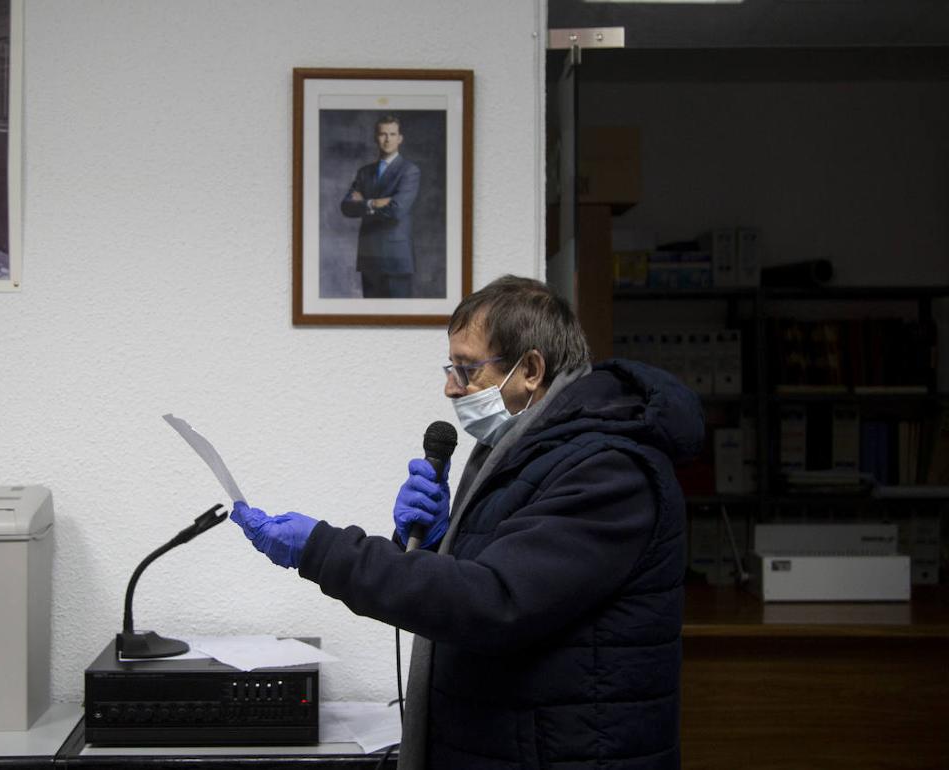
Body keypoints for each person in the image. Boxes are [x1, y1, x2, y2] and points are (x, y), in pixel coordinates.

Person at [230, 275, 703, 770]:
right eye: (450, 368)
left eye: (466, 369)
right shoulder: (523, 453)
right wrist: (438, 543)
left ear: (531, 370)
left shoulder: (609, 471)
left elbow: (493, 602)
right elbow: (495, 579)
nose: (451, 388)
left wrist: (322, 549)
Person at [339, 115, 421, 298]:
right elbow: (346, 207)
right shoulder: (364, 172)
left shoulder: (409, 171)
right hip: (368, 257)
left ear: (400, 138)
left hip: (396, 259)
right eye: (383, 134)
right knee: (370, 323)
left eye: (392, 134)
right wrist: (374, 202)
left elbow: (396, 210)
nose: (387, 139)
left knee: (399, 321)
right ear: (376, 137)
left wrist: (363, 202)